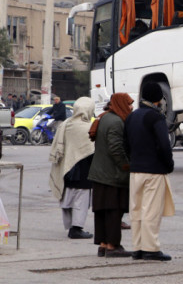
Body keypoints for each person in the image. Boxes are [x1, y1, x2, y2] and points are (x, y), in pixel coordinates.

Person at [125, 82, 175, 261]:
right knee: (151, 210)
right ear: (158, 98)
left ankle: (137, 247)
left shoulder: (132, 116)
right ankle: (151, 248)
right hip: (153, 170)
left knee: (136, 210)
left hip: (135, 170)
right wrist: (168, 165)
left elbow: (126, 144)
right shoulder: (156, 117)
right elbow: (164, 144)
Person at [87, 93, 134, 257]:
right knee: (114, 210)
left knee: (102, 211)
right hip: (111, 175)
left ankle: (103, 244)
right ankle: (113, 245)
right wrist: (126, 165)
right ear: (121, 104)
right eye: (129, 104)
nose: (131, 108)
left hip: (100, 173)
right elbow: (115, 148)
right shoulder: (116, 121)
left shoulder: (104, 117)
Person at [49, 97, 95, 240]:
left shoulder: (66, 124)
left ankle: (71, 226)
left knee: (67, 198)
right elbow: (92, 150)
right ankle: (76, 229)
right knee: (81, 200)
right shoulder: (88, 127)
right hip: (83, 170)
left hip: (66, 168)